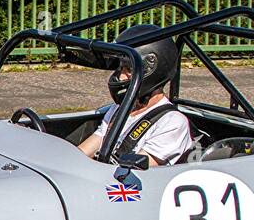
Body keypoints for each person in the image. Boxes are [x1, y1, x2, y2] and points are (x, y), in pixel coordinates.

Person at [78, 26, 193, 166]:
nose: (119, 77)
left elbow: (131, 175)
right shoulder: (120, 108)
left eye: (128, 70)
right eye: (120, 68)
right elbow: (82, 153)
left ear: (151, 70)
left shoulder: (171, 123)